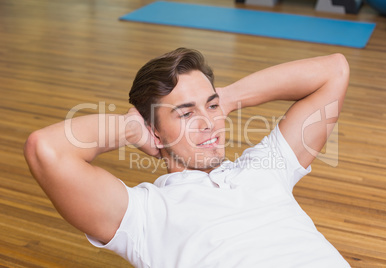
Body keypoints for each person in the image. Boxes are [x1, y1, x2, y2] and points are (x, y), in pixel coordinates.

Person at [24, 48, 350, 267]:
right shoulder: (144, 215)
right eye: (185, 113)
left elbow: (334, 70)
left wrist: (228, 97)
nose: (208, 123)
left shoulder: (266, 168)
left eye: (211, 106)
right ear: (154, 129)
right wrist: (133, 130)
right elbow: (47, 149)